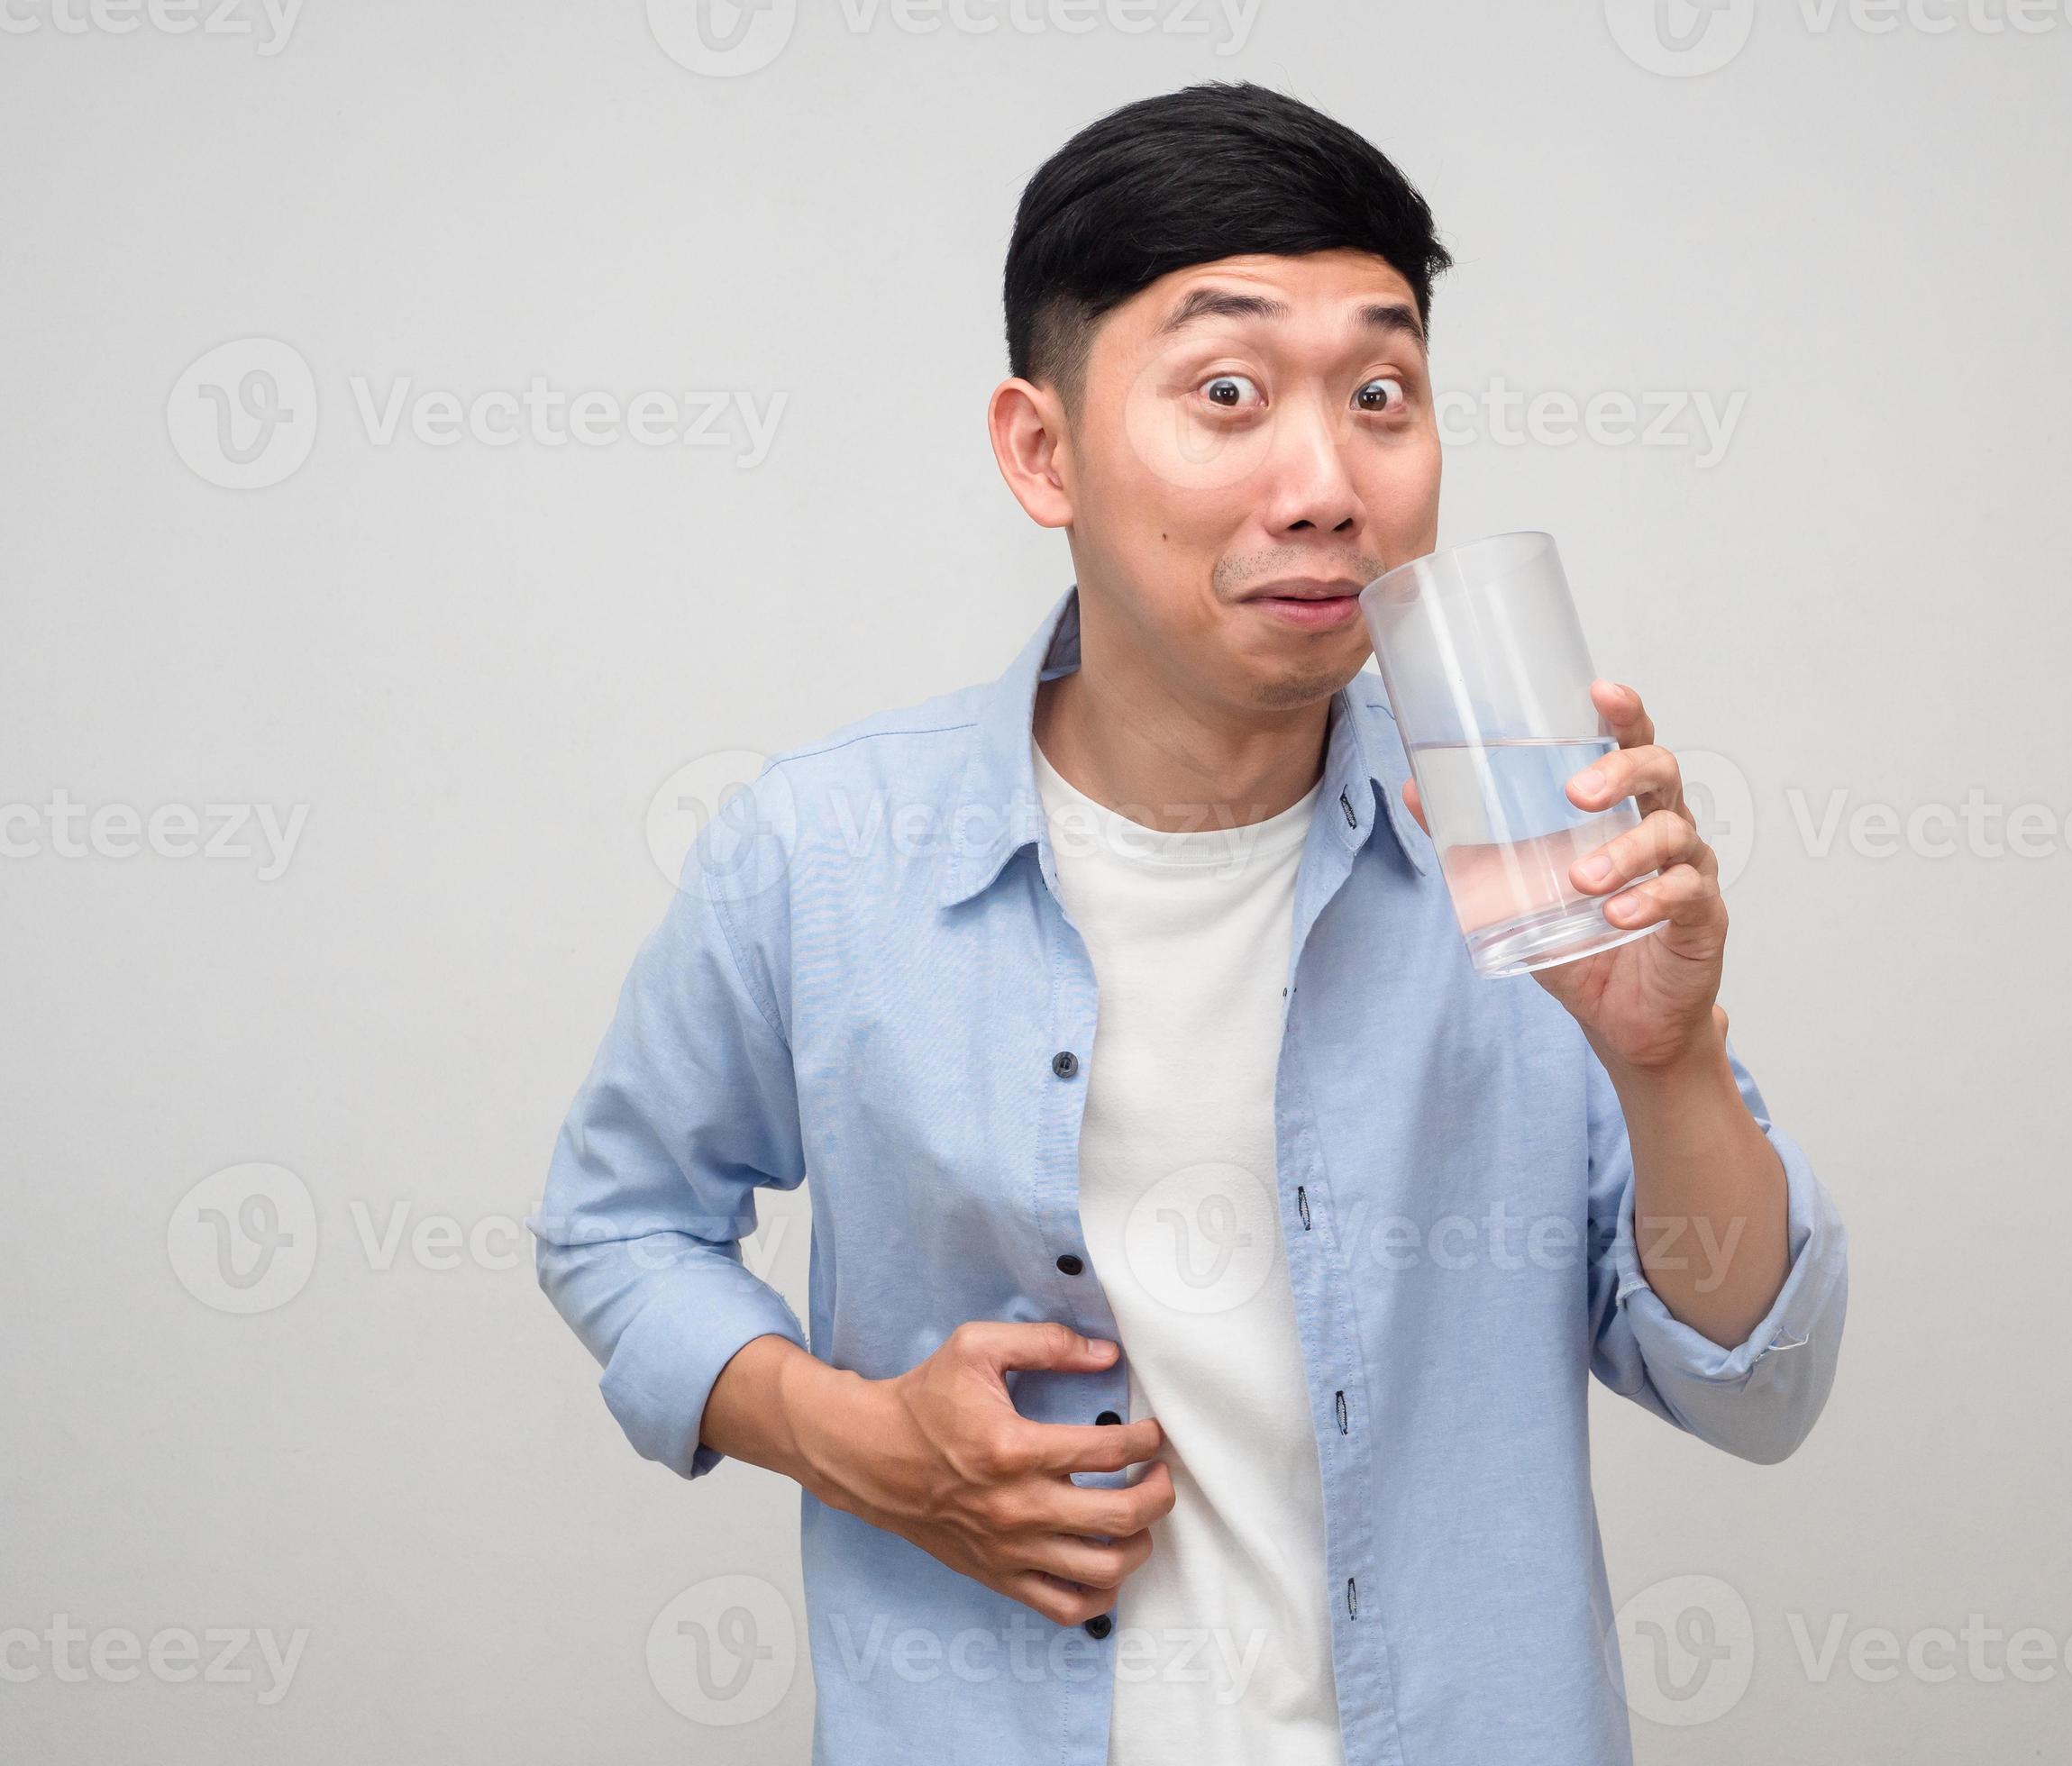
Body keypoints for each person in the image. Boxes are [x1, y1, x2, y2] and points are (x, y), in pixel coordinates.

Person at [532, 78, 1848, 1766]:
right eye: (1225, 392)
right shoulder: (824, 850)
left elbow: (1756, 1386)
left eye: (1382, 393)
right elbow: (616, 1226)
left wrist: (1669, 1066)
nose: (1322, 484)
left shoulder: (1543, 862)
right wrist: (854, 1442)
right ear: (1040, 448)